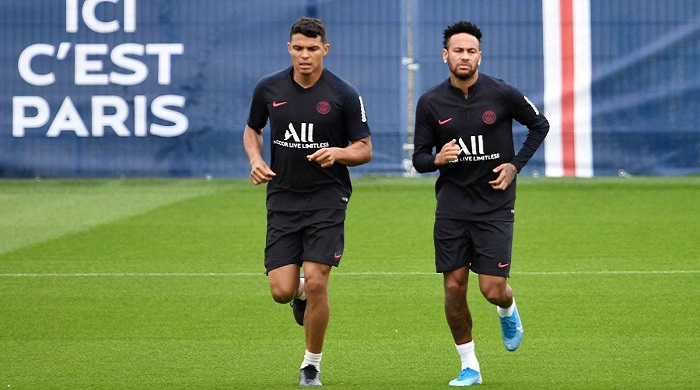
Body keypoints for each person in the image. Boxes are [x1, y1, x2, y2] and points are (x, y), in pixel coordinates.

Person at [412, 21, 549, 386]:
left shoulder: (502, 93)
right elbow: (419, 159)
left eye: (471, 51)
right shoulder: (430, 102)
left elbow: (540, 125)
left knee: (491, 288)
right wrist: (437, 160)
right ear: (445, 55)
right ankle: (469, 365)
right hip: (453, 207)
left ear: (479, 56)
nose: (464, 56)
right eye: (458, 50)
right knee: (454, 287)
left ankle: (508, 308)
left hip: (495, 204)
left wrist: (515, 165)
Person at [243, 17, 372, 387]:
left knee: (318, 283)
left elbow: (364, 149)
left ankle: (311, 364)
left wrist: (339, 153)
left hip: (327, 198)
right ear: (289, 48)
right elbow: (253, 129)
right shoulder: (268, 88)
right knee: (282, 291)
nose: (305, 55)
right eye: (298, 48)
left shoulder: (343, 94)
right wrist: (255, 159)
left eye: (312, 49)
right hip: (283, 198)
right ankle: (297, 291)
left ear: (325, 51)